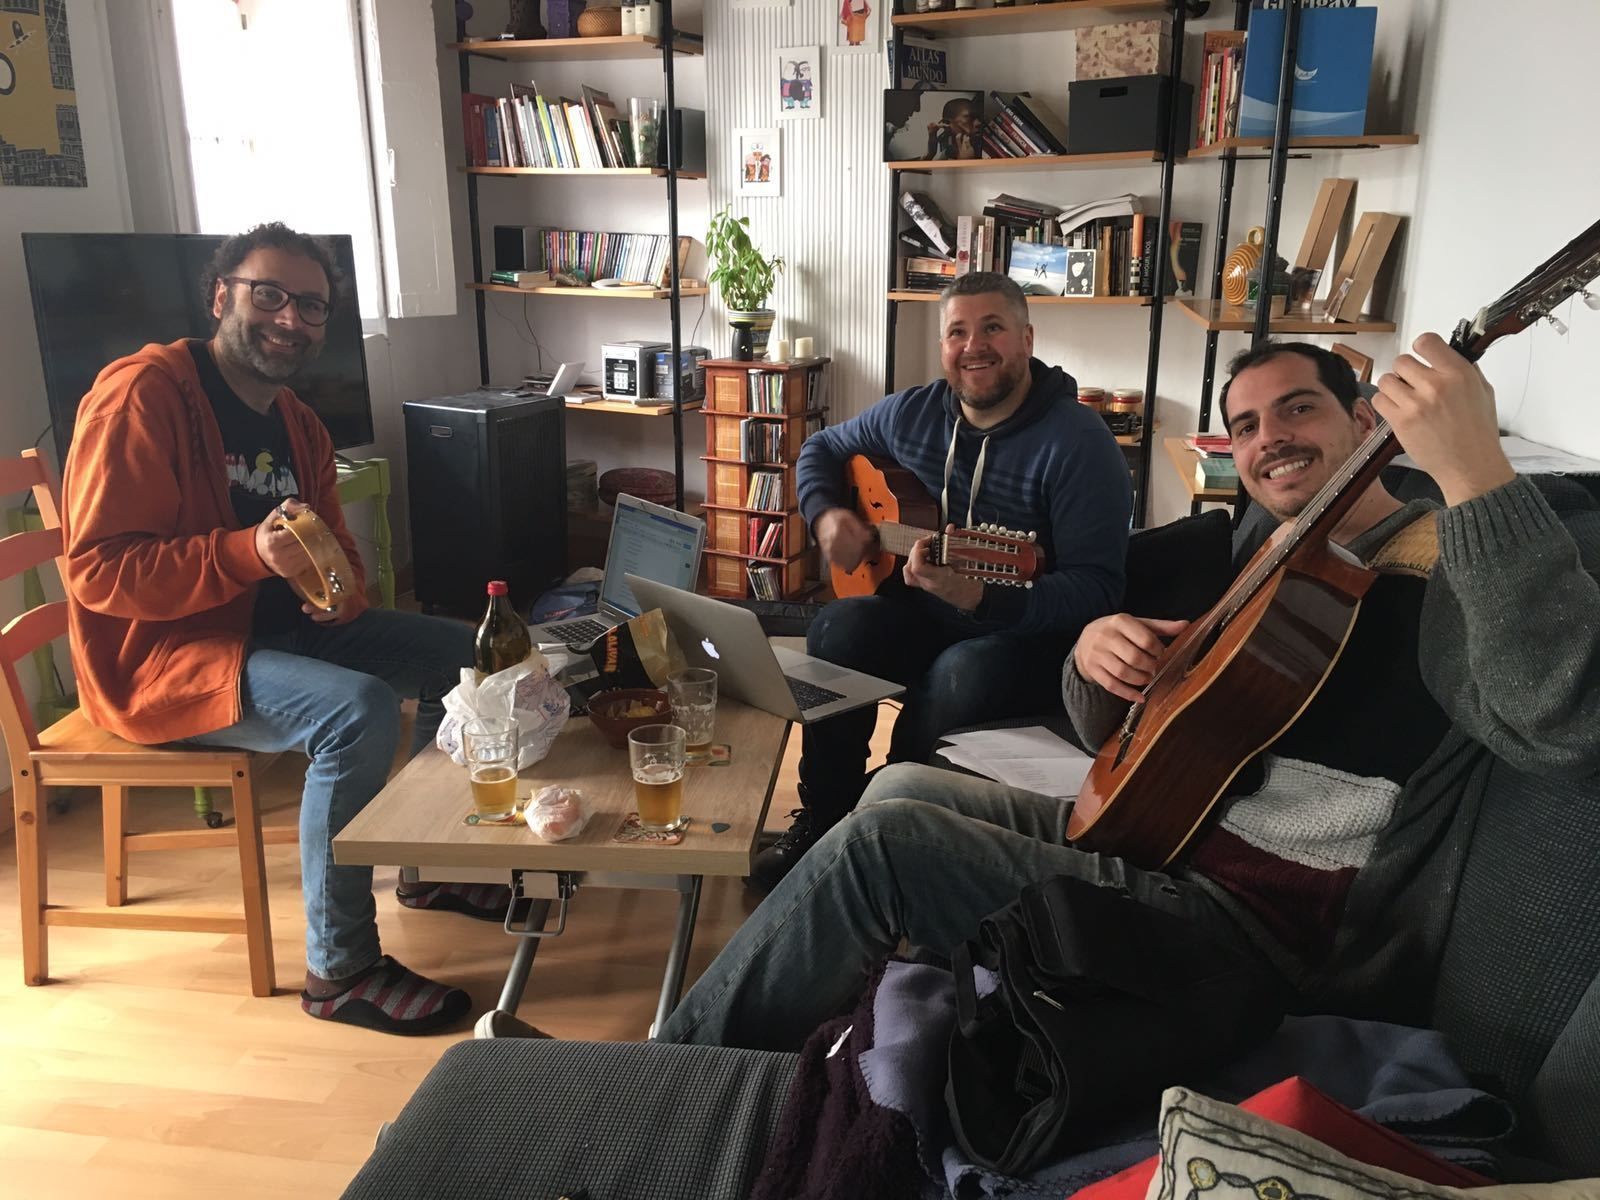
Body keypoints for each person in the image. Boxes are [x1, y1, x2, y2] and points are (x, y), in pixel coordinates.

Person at [649, 335, 1599, 1050]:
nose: (1270, 440)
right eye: (1247, 425)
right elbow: (1166, 725)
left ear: (1363, 426)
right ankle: (817, 1044)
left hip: (1257, 936)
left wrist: (1474, 471)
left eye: (1299, 410)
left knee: (883, 845)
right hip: (1171, 848)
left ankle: (665, 1081)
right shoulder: (1272, 554)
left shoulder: (1438, 563)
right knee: (894, 792)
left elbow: (1555, 716)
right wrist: (1095, 654)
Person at [60, 222, 487, 1036]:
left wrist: (346, 596)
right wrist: (244, 553)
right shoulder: (142, 395)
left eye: (312, 307)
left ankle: (428, 867)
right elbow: (97, 572)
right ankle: (341, 969)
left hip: (283, 637)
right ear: (221, 295)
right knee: (355, 708)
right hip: (171, 662)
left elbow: (336, 547)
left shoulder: (298, 422)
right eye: (270, 295)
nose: (291, 319)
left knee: (465, 654)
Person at [749, 272, 1131, 892]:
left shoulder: (1079, 443)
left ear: (1026, 338)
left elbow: (1097, 592)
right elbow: (820, 446)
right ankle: (824, 816)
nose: (973, 346)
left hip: (1028, 636)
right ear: (942, 346)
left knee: (962, 672)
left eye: (992, 328)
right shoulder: (916, 413)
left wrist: (984, 596)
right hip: (924, 608)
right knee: (838, 626)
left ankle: (890, 832)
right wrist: (827, 516)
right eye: (957, 332)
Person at [926, 96, 981, 161]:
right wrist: (931, 154)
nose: (978, 123)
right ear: (947, 123)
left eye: (978, 118)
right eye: (969, 117)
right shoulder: (948, 153)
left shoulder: (982, 148)